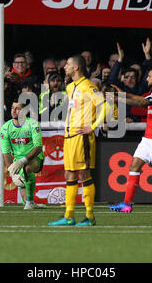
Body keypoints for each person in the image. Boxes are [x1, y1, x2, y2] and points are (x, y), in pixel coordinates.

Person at [49, 55, 108, 227]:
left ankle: (90, 217)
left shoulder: (88, 86)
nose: (65, 66)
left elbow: (105, 105)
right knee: (70, 174)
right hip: (69, 137)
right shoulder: (69, 87)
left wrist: (94, 126)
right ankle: (69, 216)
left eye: (67, 64)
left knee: (84, 174)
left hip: (82, 136)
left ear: (76, 67)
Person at [107, 67, 152, 214]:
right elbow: (140, 102)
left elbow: (143, 103)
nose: (146, 79)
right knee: (134, 166)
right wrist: (120, 96)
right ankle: (127, 204)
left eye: (149, 76)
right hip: (148, 138)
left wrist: (121, 96)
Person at [0, 101, 46, 210]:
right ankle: (30, 201)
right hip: (17, 162)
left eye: (18, 108)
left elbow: (38, 147)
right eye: (12, 108)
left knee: (27, 168)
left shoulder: (32, 124)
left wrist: (23, 161)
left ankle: (30, 201)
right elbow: (6, 153)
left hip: (35, 158)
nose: (14, 110)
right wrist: (12, 173)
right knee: (24, 201)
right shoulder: (5, 128)